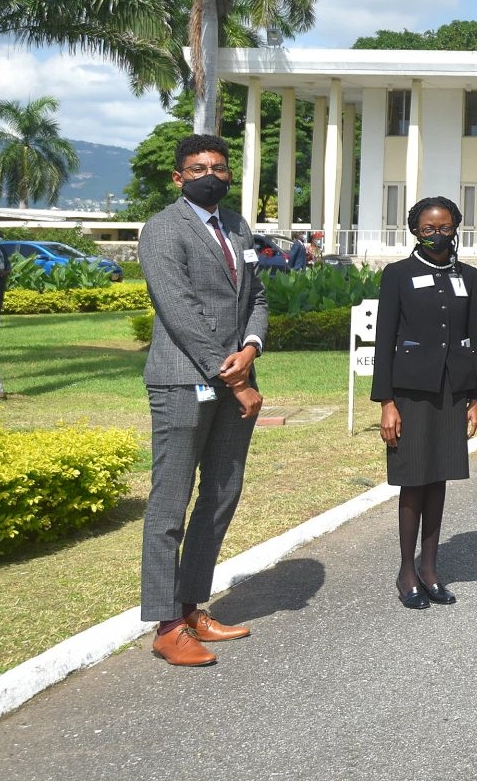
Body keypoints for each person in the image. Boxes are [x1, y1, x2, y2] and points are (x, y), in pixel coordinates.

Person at [137, 134, 267, 667]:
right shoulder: (163, 230)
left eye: (217, 166)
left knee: (220, 495)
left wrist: (253, 345)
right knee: (171, 502)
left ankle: (192, 608)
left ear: (229, 173)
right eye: (196, 168)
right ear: (178, 177)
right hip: (182, 380)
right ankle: (166, 625)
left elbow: (256, 295)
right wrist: (235, 377)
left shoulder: (237, 227)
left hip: (237, 373)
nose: (207, 174)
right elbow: (181, 311)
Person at [372, 197, 477, 609]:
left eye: (445, 227)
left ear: (456, 227)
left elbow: (475, 339)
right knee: (413, 480)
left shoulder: (468, 276)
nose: (437, 234)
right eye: (428, 228)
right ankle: (407, 570)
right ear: (415, 231)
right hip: (410, 393)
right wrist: (386, 401)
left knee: (439, 479)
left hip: (453, 392)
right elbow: (384, 340)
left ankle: (431, 569)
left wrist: (474, 397)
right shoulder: (398, 274)